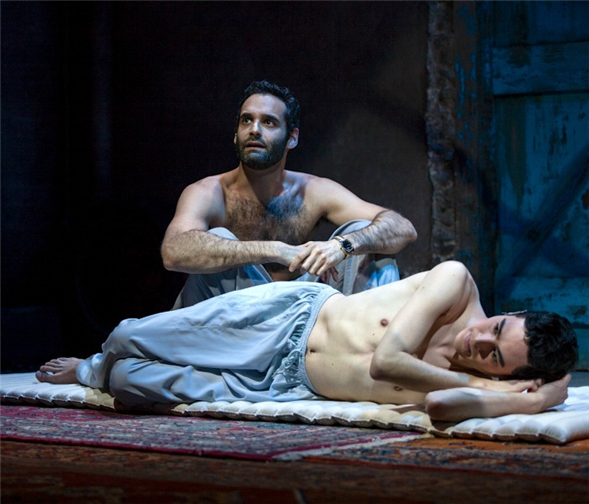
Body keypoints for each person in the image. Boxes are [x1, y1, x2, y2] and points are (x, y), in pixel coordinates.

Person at [36, 261, 578, 422]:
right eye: (497, 328)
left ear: (509, 375)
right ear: (510, 312)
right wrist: (493, 388)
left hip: (284, 384)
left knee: (126, 382)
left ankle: (91, 371)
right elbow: (388, 361)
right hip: (287, 320)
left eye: (493, 359)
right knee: (125, 335)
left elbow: (439, 407)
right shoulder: (457, 286)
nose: (478, 341)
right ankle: (95, 360)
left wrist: (527, 403)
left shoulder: (469, 386)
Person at [160, 80, 417, 308]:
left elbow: (402, 228)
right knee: (218, 238)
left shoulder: (313, 191)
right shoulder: (208, 192)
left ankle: (375, 339)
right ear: (236, 136)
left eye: (268, 122)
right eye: (246, 120)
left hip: (301, 309)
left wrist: (342, 246)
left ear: (292, 138)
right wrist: (276, 250)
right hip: (231, 315)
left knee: (363, 235)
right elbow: (173, 251)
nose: (254, 129)